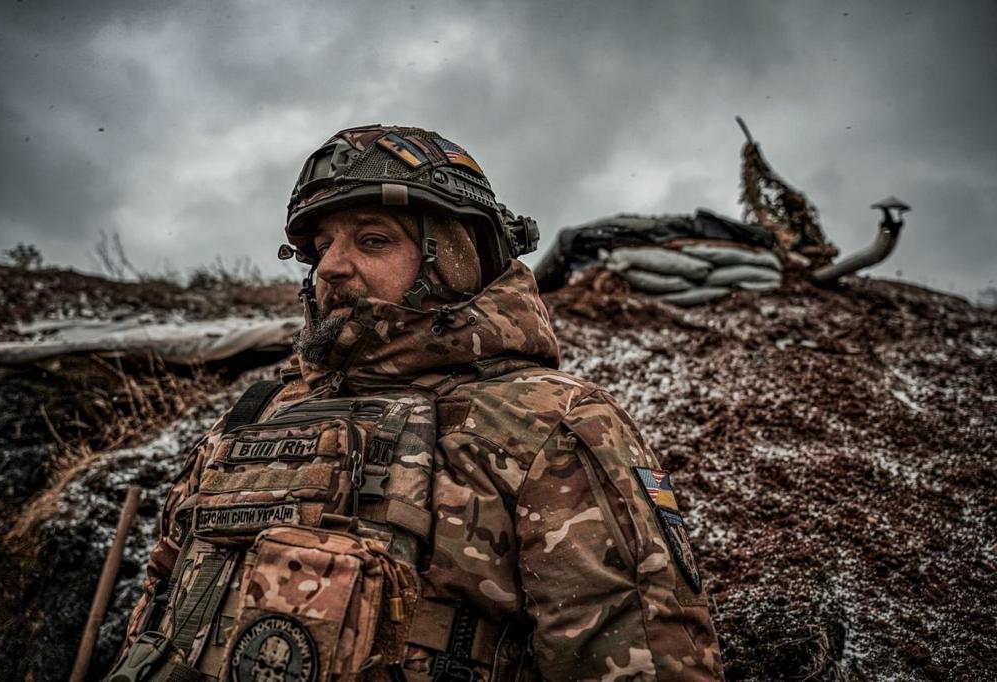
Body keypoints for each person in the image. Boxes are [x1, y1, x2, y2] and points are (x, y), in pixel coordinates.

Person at [110, 125, 724, 681]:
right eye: (320, 246)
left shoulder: (551, 424)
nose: (331, 267)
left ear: (456, 257)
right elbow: (158, 617)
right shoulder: (257, 415)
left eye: (372, 241)